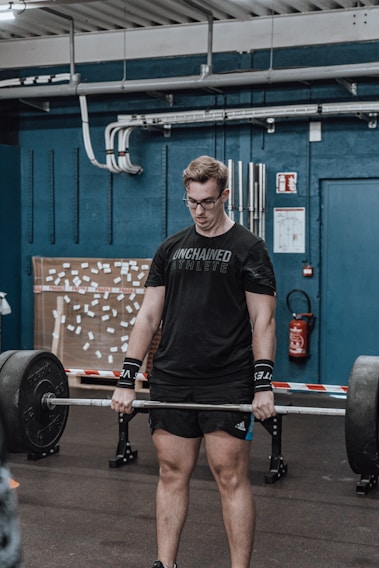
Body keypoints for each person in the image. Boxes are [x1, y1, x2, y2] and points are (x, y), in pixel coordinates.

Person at [111, 155, 277, 568]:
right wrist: (127, 377)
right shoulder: (170, 248)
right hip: (172, 377)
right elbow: (148, 316)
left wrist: (263, 383)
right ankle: (164, 565)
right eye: (192, 202)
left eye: (207, 201)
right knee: (170, 472)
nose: (200, 211)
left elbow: (264, 319)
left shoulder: (249, 249)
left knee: (229, 476)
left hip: (227, 378)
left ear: (225, 195)